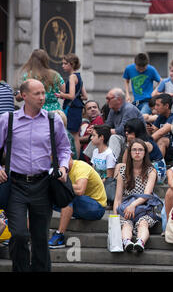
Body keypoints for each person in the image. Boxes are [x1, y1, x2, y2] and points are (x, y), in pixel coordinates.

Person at [0, 79, 71, 272]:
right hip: (15, 184)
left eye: (43, 93)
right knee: (20, 234)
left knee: (40, 237)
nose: (42, 97)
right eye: (37, 93)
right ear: (24, 96)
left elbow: (64, 148)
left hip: (43, 184)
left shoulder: (52, 119)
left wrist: (63, 167)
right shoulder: (8, 119)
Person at [113, 138, 161, 252]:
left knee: (143, 223)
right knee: (126, 224)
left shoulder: (151, 171)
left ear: (145, 153)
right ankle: (127, 242)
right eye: (134, 150)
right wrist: (115, 217)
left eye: (140, 150)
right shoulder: (123, 171)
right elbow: (118, 198)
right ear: (130, 153)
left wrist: (133, 205)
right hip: (127, 208)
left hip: (144, 208)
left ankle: (140, 242)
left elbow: (147, 195)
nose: (137, 152)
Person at [48, 158, 107, 248]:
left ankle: (59, 235)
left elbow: (80, 190)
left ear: (69, 156)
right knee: (44, 198)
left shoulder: (81, 167)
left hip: (97, 208)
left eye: (61, 160)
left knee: (66, 196)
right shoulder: (61, 170)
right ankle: (28, 232)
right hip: (82, 206)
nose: (59, 163)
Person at [84, 88, 145, 161]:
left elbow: (122, 131)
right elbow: (107, 125)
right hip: (122, 139)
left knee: (114, 137)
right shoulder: (113, 109)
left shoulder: (129, 109)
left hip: (134, 141)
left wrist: (106, 130)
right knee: (98, 135)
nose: (107, 101)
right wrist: (96, 128)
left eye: (109, 99)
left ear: (119, 100)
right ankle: (94, 162)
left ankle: (111, 163)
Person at [56, 53, 88, 159]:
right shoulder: (79, 76)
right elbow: (85, 96)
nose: (63, 66)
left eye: (65, 64)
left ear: (72, 64)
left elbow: (71, 95)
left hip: (72, 109)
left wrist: (60, 95)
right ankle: (75, 158)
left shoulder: (72, 77)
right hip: (77, 108)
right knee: (76, 135)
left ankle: (74, 159)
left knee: (73, 135)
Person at [120, 118, 166, 185]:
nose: (126, 133)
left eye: (129, 131)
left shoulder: (145, 144)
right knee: (120, 166)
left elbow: (126, 161)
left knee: (122, 167)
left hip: (156, 171)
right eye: (125, 131)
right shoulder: (136, 142)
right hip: (145, 169)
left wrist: (130, 144)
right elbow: (125, 162)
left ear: (137, 131)